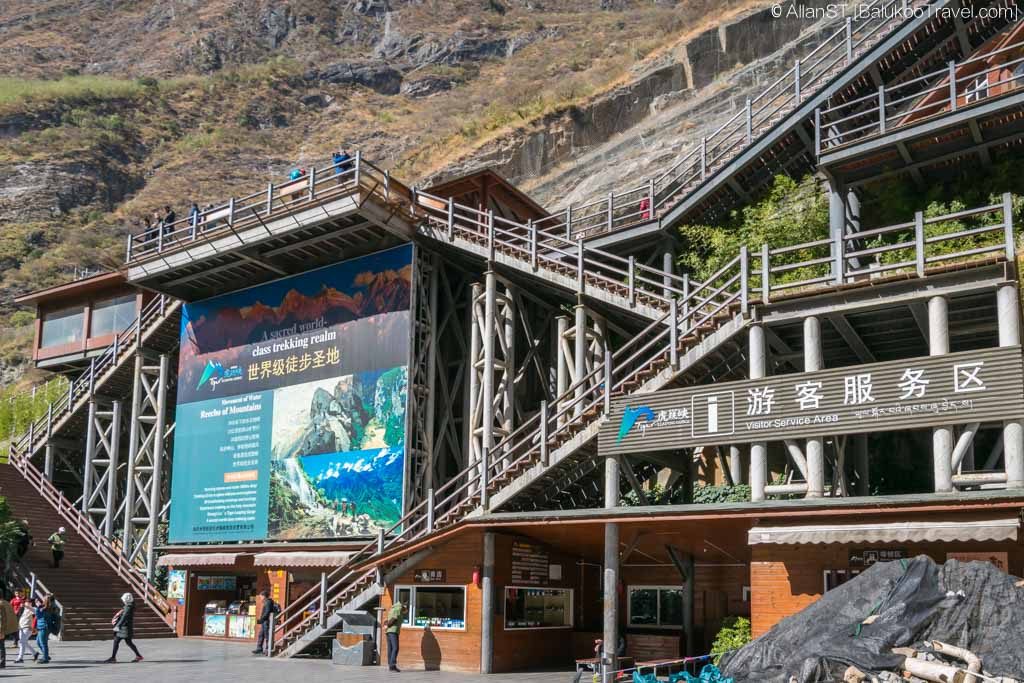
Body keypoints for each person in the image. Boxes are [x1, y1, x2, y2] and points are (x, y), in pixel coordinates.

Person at [103, 593, 142, 663]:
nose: (123, 601)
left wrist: (118, 626)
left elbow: (124, 618)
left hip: (124, 628)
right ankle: (138, 656)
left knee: (118, 641)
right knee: (126, 642)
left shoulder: (128, 607)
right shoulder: (129, 606)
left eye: (123, 599)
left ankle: (113, 658)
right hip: (125, 627)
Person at [253, 589, 280, 656]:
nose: (260, 598)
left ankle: (268, 649)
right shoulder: (267, 602)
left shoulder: (268, 602)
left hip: (266, 622)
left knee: (267, 636)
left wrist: (261, 619)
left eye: (261, 597)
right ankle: (259, 648)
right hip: (265, 621)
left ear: (264, 596)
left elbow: (267, 612)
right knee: (261, 635)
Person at [385, 595, 407, 672]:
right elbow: (393, 619)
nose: (406, 609)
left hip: (389, 631)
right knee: (395, 648)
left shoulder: (393, 608)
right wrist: (388, 624)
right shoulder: (398, 609)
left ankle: (391, 666)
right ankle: (392, 665)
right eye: (406, 606)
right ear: (403, 604)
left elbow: (388, 620)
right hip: (393, 631)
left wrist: (386, 625)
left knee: (390, 648)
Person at [14, 594, 37, 663]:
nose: (25, 603)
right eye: (25, 602)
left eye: (27, 602)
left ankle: (20, 658)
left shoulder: (33, 609)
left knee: (22, 642)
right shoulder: (24, 609)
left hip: (28, 628)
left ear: (30, 603)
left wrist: (26, 606)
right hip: (21, 627)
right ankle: (35, 653)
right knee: (23, 642)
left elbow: (34, 611)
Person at [35, 596, 55, 664]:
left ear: (46, 600)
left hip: (43, 627)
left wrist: (38, 607)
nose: (42, 599)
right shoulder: (49, 607)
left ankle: (45, 658)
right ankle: (46, 655)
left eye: (44, 598)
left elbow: (38, 616)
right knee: (38, 642)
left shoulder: (44, 609)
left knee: (43, 643)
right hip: (43, 627)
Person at [0, 593, 14, 668]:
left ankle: (2, 662)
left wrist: (2, 631)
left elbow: (2, 619)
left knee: (1, 647)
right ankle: (2, 662)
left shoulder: (1, 604)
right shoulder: (5, 603)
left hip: (1, 629)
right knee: (1, 646)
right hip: (3, 629)